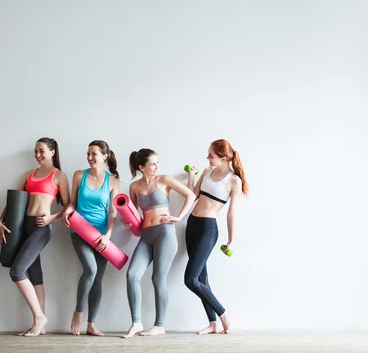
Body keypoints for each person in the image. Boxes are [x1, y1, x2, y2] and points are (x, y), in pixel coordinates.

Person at [0, 137, 70, 337]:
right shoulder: (29, 175)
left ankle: (39, 317)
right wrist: (1, 221)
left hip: (41, 228)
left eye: (42, 151)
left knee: (17, 271)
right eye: (35, 152)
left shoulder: (59, 176)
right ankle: (42, 325)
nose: (38, 155)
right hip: (23, 227)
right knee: (35, 275)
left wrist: (52, 218)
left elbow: (69, 205)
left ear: (52, 152)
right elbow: (14, 201)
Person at [123, 148, 196, 338]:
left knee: (157, 278)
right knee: (132, 275)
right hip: (145, 236)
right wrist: (126, 221)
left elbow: (191, 195)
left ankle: (159, 325)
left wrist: (178, 217)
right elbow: (132, 214)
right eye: (152, 164)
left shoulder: (164, 180)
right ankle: (136, 323)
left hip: (165, 234)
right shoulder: (134, 187)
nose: (157, 166)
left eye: (157, 163)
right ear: (142, 167)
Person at [184, 139, 248, 335]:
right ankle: (212, 323)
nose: (207, 158)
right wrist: (191, 176)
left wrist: (231, 240)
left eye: (211, 155)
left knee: (190, 279)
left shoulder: (233, 180)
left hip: (208, 229)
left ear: (223, 157)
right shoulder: (206, 172)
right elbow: (193, 195)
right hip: (191, 225)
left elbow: (231, 212)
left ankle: (223, 314)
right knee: (202, 278)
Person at [62, 140, 120, 336]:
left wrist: (108, 235)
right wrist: (67, 212)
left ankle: (91, 324)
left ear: (104, 156)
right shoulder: (79, 175)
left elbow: (113, 212)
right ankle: (78, 312)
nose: (90, 157)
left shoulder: (112, 181)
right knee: (91, 269)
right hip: (79, 230)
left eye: (94, 154)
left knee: (98, 280)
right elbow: (72, 202)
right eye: (88, 154)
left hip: (101, 235)